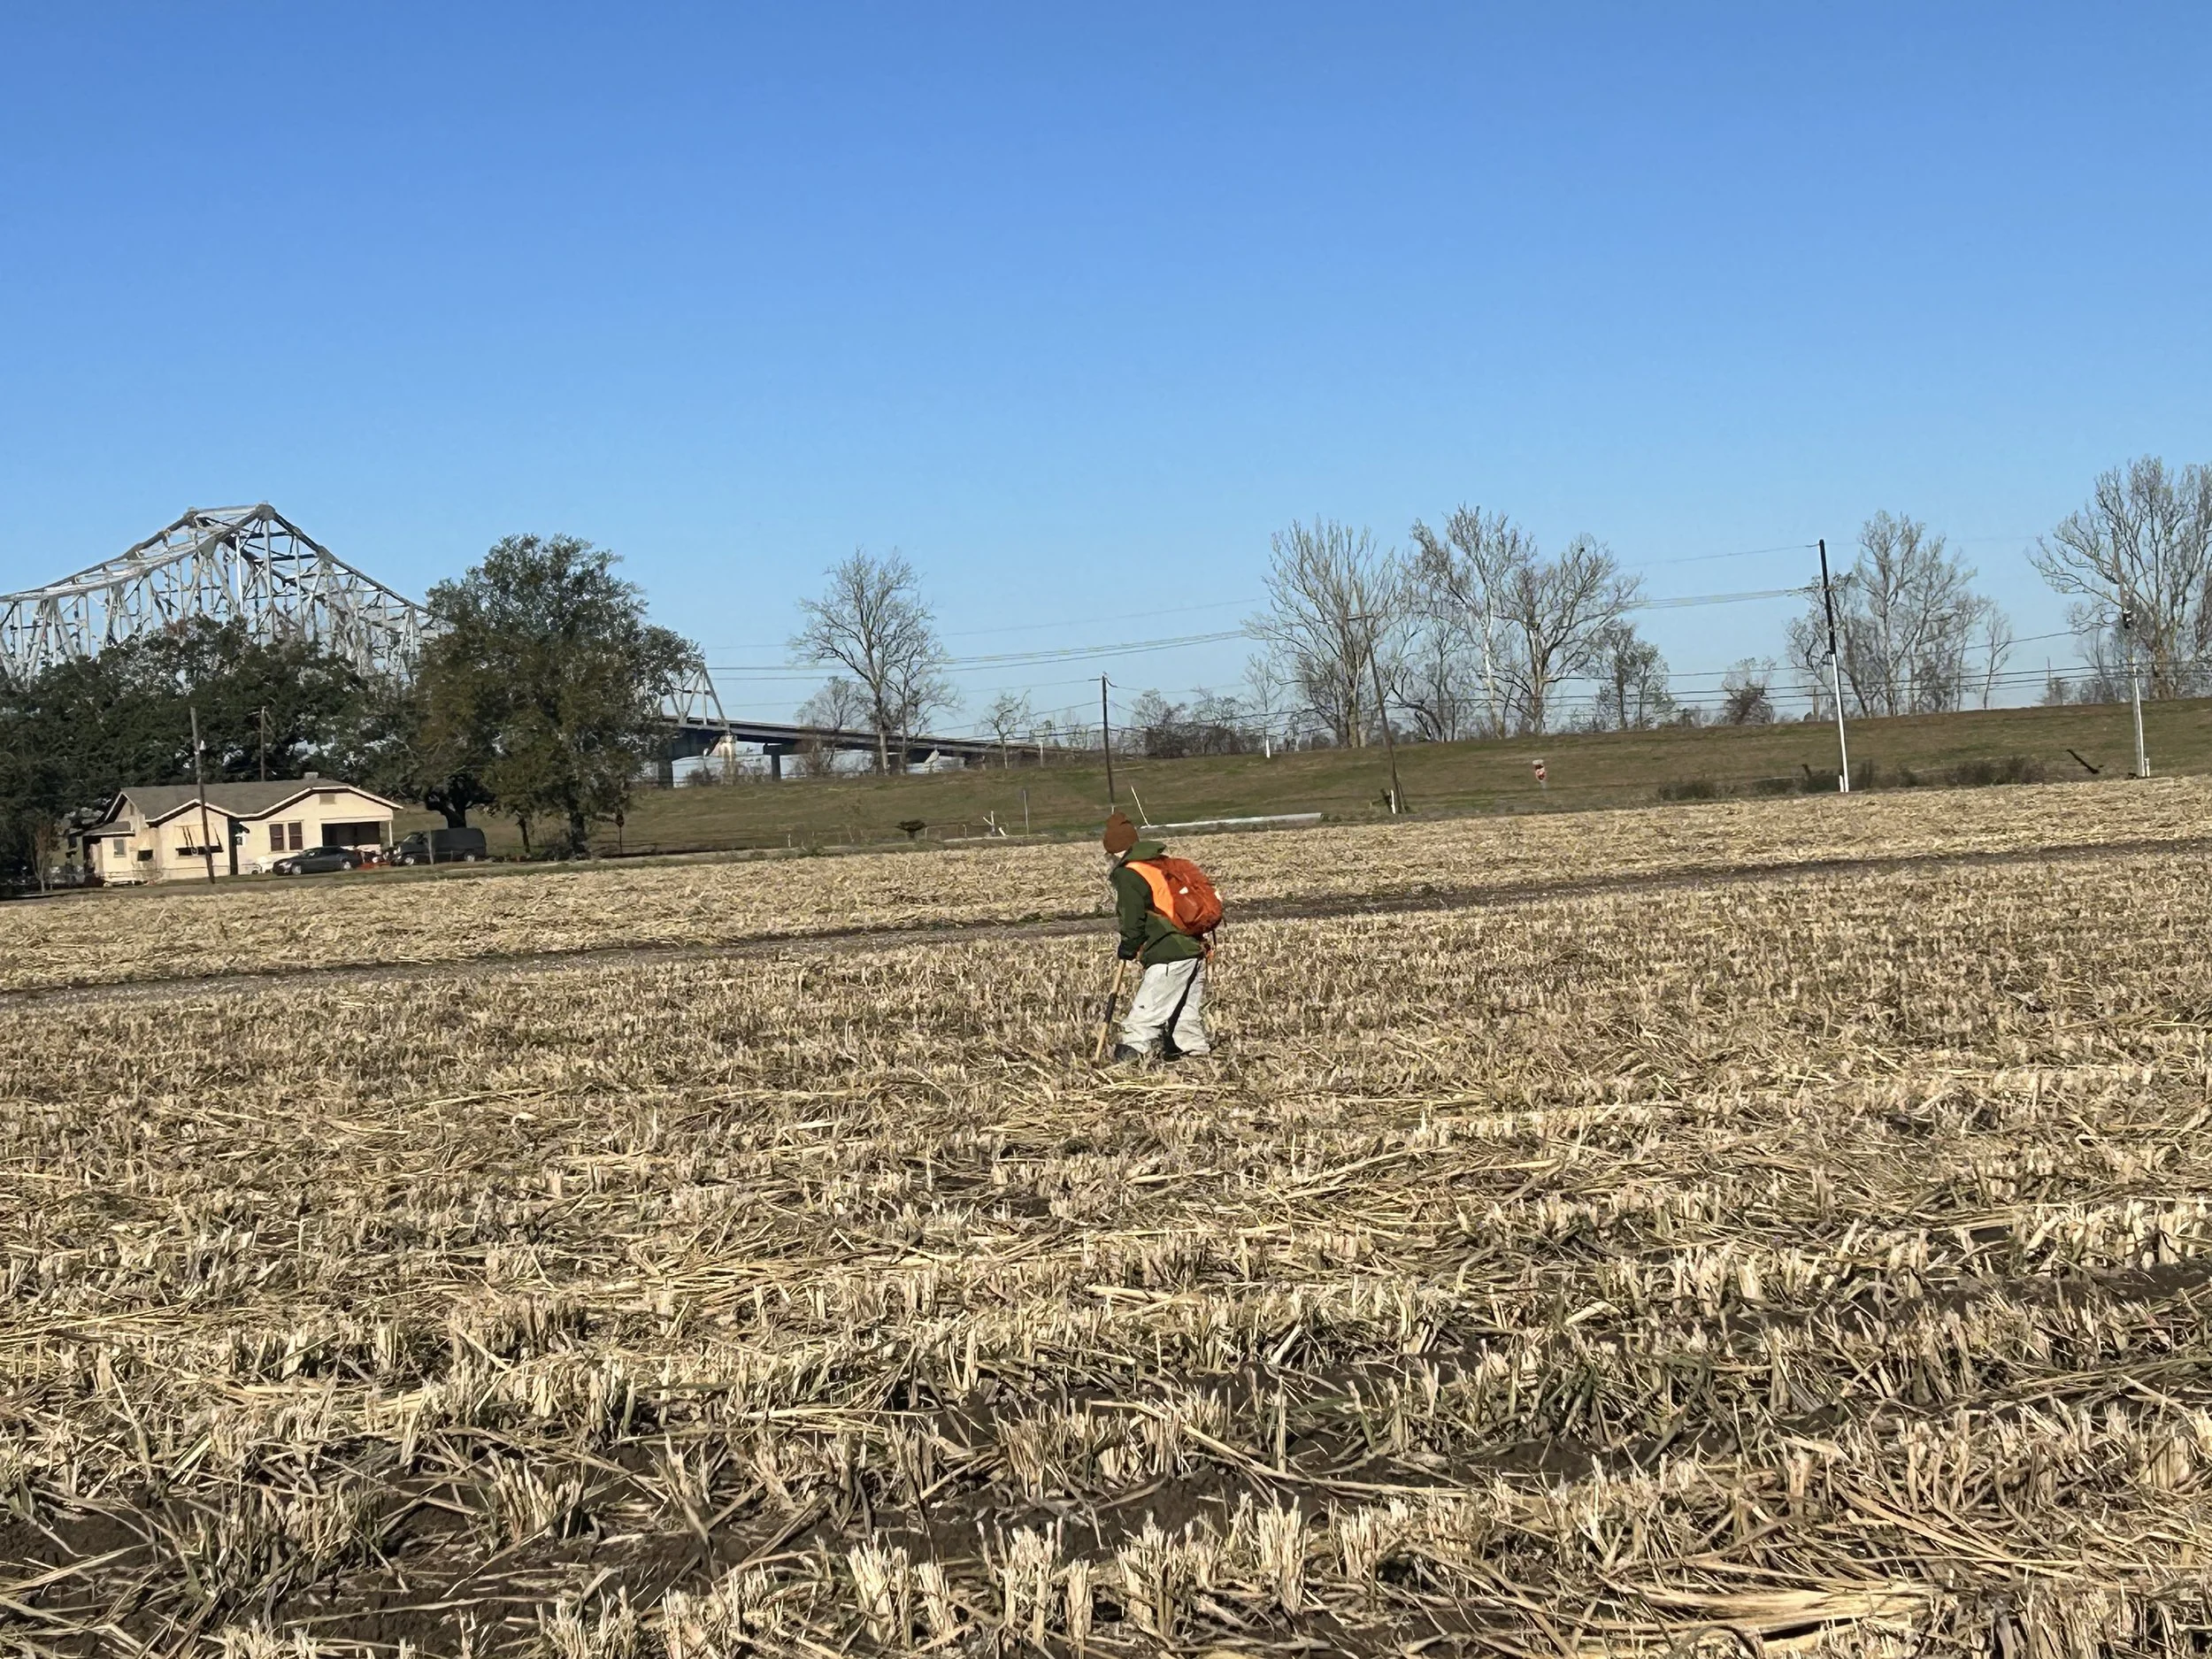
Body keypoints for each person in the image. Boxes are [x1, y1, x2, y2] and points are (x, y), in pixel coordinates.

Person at [1102, 810, 1210, 1062]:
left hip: (1168, 951)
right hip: (1193, 948)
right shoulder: (1158, 863)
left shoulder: (1128, 873)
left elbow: (1133, 917)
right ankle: (1196, 1058)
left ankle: (1133, 1051)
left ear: (1113, 850)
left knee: (1144, 1014)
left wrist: (1128, 946)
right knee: (1185, 1016)